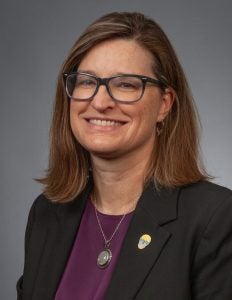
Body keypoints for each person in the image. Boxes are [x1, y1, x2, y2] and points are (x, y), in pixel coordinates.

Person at [17, 12, 232, 300]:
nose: (100, 102)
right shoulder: (46, 213)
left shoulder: (214, 218)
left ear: (164, 105)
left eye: (126, 84)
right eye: (86, 82)